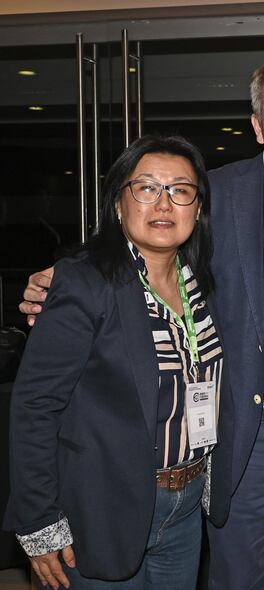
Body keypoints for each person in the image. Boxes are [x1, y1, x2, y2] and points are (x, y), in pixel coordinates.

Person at [21, 56, 264, 589]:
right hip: (247, 433)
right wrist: (63, 276)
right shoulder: (216, 193)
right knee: (237, 579)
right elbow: (143, 245)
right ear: (259, 126)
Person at [4, 135, 232, 589]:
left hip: (186, 506)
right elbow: (34, 407)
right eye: (146, 188)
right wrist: (38, 521)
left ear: (198, 208)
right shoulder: (84, 282)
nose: (164, 203)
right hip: (101, 507)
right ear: (118, 204)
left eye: (180, 190)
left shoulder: (205, 286)